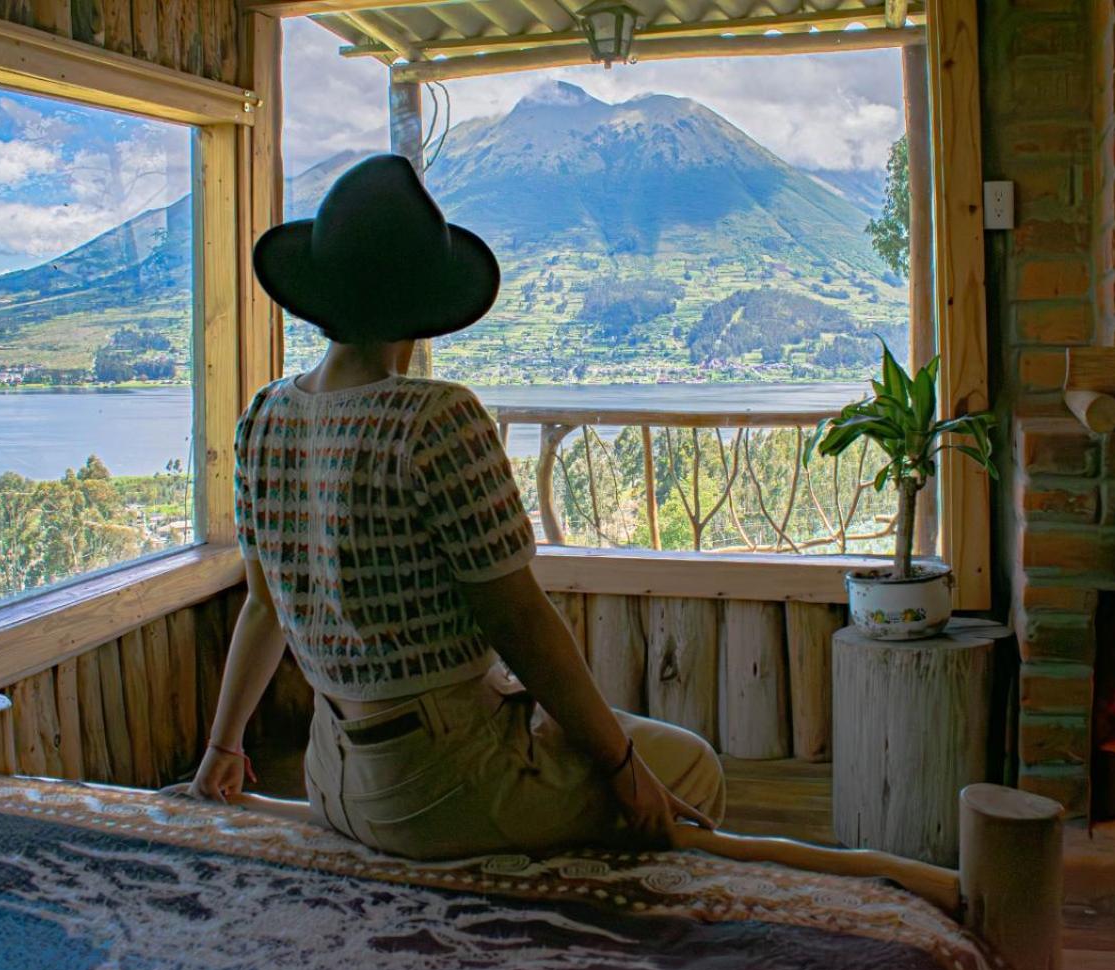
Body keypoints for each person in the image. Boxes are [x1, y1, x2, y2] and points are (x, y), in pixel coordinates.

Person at [185, 154, 724, 860]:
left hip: (333, 777)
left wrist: (223, 745)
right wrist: (624, 770)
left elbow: (264, 607)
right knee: (687, 768)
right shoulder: (433, 419)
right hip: (442, 784)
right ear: (424, 305)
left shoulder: (263, 418)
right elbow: (519, 618)